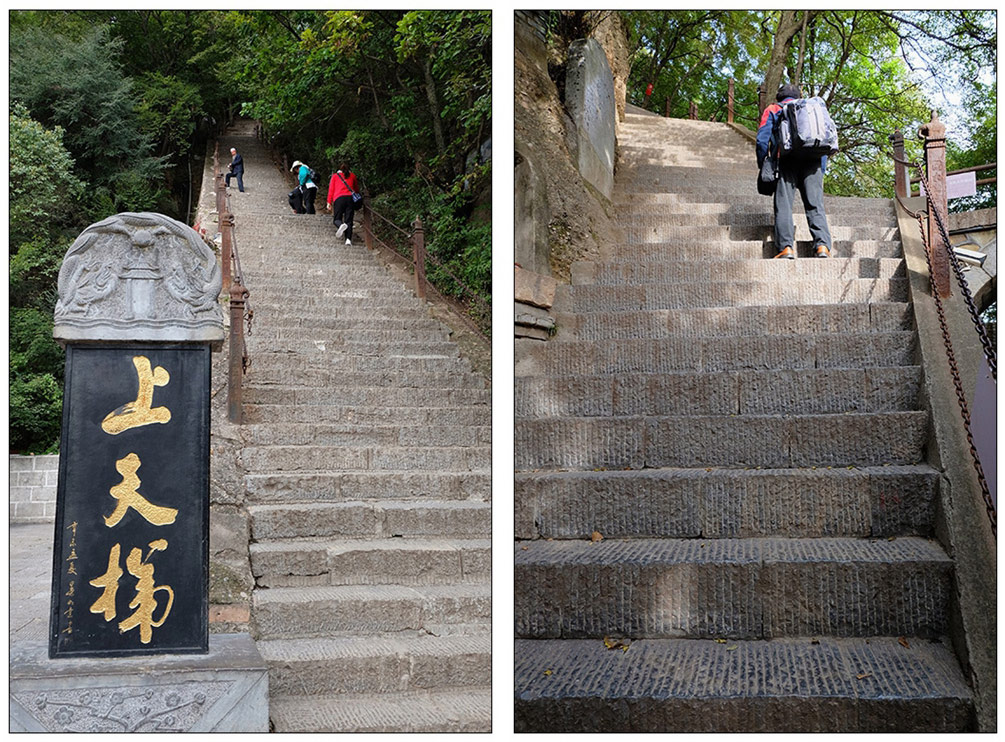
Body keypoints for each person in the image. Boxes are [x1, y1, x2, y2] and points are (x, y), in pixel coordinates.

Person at [756, 83, 832, 259]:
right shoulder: (811, 109)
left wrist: (764, 164)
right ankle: (822, 247)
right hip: (813, 161)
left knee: (783, 205)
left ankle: (786, 248)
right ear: (799, 96)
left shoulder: (773, 108)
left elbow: (761, 140)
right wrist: (821, 168)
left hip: (786, 160)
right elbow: (823, 139)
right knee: (816, 205)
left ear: (779, 96)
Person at [327, 162, 359, 246]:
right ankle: (348, 240)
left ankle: (341, 225)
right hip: (350, 199)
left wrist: (329, 202)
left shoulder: (334, 176)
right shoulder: (352, 175)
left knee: (337, 219)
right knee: (349, 220)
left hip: (339, 199)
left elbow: (331, 190)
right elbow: (356, 189)